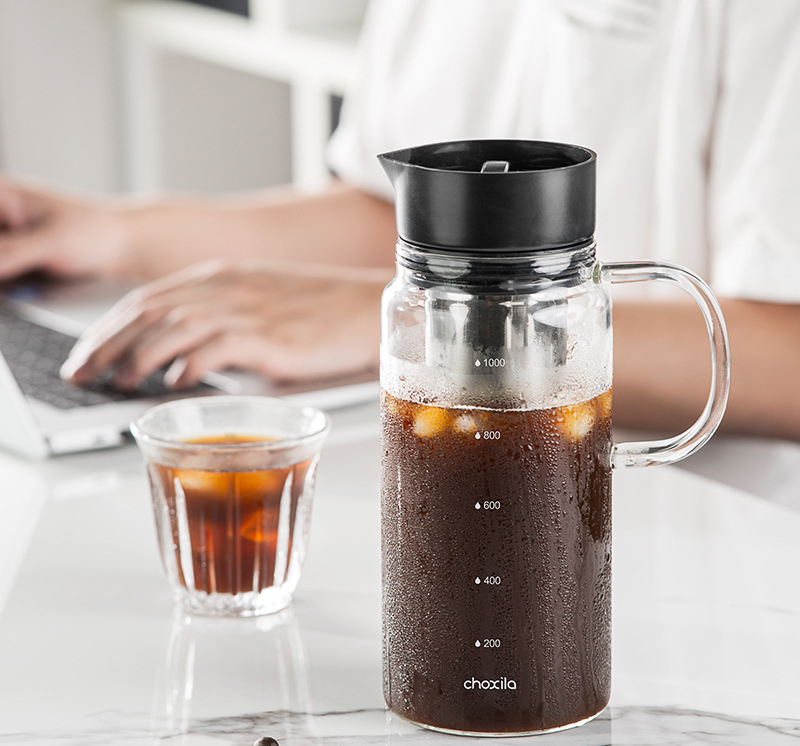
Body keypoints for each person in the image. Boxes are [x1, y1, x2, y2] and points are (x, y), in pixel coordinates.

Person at [1, 0, 799, 440]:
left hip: (704, 517)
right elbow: (397, 210)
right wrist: (113, 233)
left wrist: (424, 322)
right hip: (464, 457)